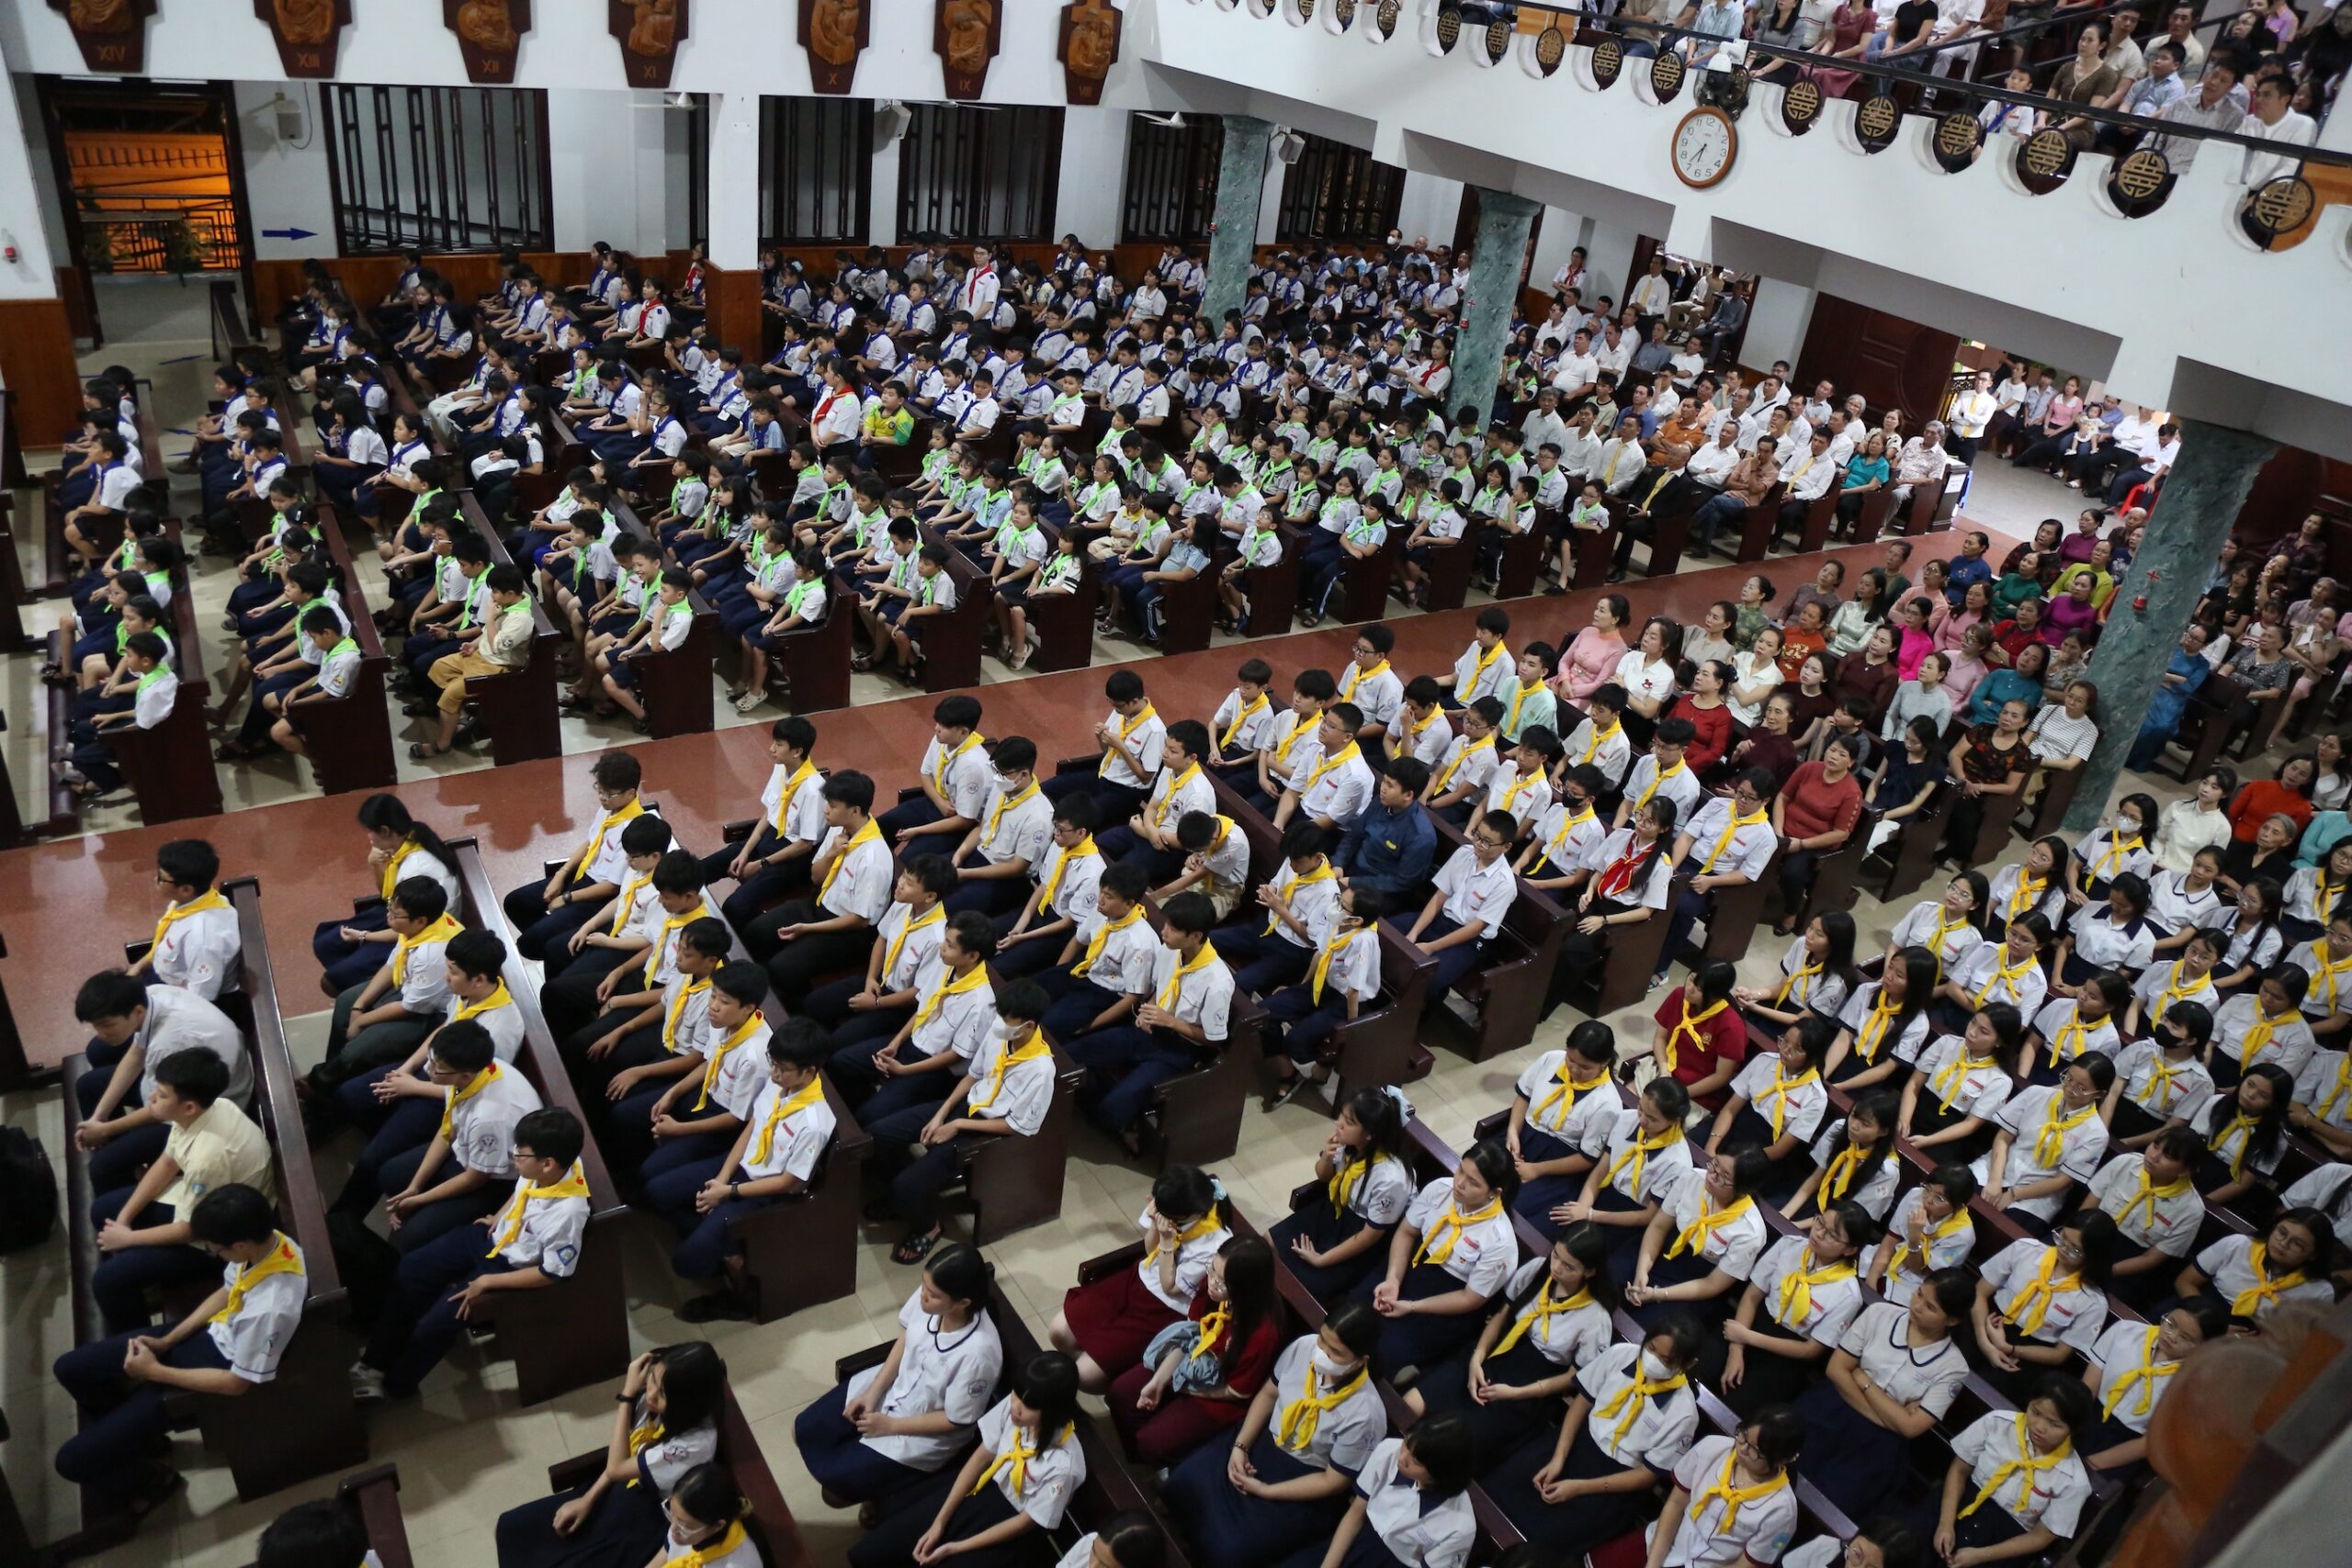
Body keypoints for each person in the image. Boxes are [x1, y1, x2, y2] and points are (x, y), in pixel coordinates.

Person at [51, 1184, 304, 1515]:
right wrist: (167, 1340)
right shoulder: (267, 1243)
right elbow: (227, 1292)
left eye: (218, 1250)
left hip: (215, 1363)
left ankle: (152, 1480)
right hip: (206, 1335)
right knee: (69, 1368)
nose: (215, 1254)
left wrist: (154, 1372)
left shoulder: (272, 1308)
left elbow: (237, 1383)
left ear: (240, 1245)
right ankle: (144, 1440)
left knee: (70, 1463)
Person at [1159, 1302, 1387, 1568]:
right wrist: (1240, 1446)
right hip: (1262, 1443)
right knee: (1180, 1485)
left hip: (1302, 1478)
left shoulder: (1367, 1414)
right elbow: (1269, 1394)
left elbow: (1332, 1481)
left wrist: (1268, 1491)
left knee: (1228, 1551)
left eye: (1335, 1352)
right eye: (1323, 1340)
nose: (1321, 1353)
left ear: (1361, 1360)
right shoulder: (1304, 1347)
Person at [794, 1241, 1003, 1509]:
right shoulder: (932, 1295)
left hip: (922, 1429)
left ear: (962, 1303)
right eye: (923, 1286)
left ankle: (883, 1494)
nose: (923, 1297)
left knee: (833, 1491)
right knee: (804, 1429)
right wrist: (874, 1391)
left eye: (933, 1294)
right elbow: (906, 1337)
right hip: (894, 1383)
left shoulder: (979, 1355)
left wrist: (890, 1427)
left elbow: (957, 1420)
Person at [1485, 1315, 1705, 1554]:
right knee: (1500, 1489)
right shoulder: (1621, 1355)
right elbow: (1581, 1404)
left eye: (1666, 1360)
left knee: (1542, 1544)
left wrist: (1579, 1488)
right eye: (1651, 1349)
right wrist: (1558, 1459)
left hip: (1613, 1481)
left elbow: (1646, 1476)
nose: (1653, 1361)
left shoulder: (1683, 1414)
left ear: (1688, 1364)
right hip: (1574, 1443)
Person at [89, 1050, 275, 1336]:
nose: (151, 1098)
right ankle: (130, 1266)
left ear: (188, 1107)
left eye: (161, 1095)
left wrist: (128, 1238)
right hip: (204, 1206)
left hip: (220, 1241)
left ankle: (135, 1345)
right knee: (105, 1209)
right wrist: (124, 1218)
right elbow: (167, 1161)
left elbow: (192, 1230)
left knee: (108, 1281)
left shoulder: (208, 1157)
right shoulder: (212, 1107)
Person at [494, 1342, 727, 1568]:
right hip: (622, 1489)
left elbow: (618, 1468)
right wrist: (587, 1500)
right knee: (512, 1527)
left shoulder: (694, 1443)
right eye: (652, 1379)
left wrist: (627, 1395)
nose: (651, 1394)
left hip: (644, 1518)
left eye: (662, 1393)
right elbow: (626, 1461)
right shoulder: (665, 1399)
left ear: (684, 1404)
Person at [1931, 1379, 2099, 1563]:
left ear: (2072, 1431)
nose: (2039, 1427)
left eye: (2054, 1424)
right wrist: (1946, 1524)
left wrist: (1981, 1555)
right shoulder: (1997, 1423)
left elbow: (2040, 1537)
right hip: (1959, 1502)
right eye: (2035, 1412)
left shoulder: (2074, 1481)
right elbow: (1959, 1471)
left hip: (2007, 1540)